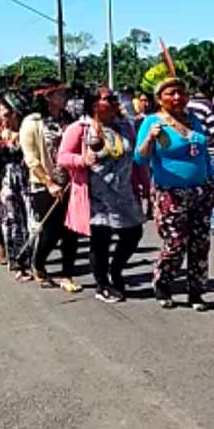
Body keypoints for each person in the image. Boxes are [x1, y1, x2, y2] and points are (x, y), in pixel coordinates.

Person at [59, 86, 147, 303]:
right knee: (101, 240)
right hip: (95, 196)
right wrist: (82, 160)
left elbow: (135, 159)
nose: (115, 102)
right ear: (94, 105)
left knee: (133, 233)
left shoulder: (125, 127)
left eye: (115, 98)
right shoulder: (80, 128)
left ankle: (115, 270)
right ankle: (102, 284)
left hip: (123, 193)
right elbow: (62, 157)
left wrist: (144, 184)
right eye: (109, 99)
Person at [134, 77, 214, 311]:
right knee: (176, 242)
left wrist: (210, 183)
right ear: (160, 99)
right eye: (171, 93)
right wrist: (150, 138)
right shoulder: (152, 121)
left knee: (200, 244)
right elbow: (140, 158)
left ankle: (196, 291)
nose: (178, 97)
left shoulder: (194, 121)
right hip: (171, 194)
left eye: (181, 93)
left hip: (200, 190)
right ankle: (163, 283)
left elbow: (203, 155)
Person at [22, 79, 81, 293]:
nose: (64, 98)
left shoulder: (69, 119)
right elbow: (31, 159)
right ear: (48, 97)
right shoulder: (32, 122)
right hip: (45, 184)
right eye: (60, 94)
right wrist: (49, 183)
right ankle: (38, 264)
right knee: (51, 231)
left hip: (71, 182)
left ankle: (67, 274)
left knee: (71, 231)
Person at [0, 92, 33, 281]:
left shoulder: (26, 131)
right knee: (11, 222)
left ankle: (30, 260)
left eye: (4, 112)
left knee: (29, 220)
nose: (1, 115)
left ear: (14, 113)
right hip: (6, 181)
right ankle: (17, 264)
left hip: (27, 179)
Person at [188, 79, 214, 234]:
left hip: (193, 150)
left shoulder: (188, 105)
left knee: (198, 186)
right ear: (210, 89)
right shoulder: (207, 106)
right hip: (211, 150)